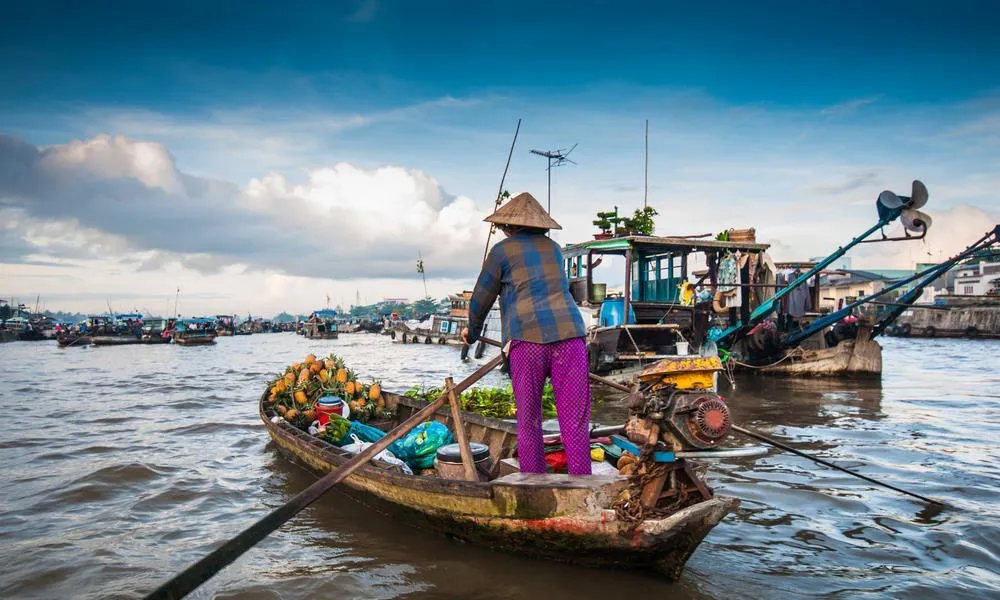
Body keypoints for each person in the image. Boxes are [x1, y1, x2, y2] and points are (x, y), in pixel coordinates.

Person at [462, 192, 591, 475]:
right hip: (571, 336)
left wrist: (471, 334)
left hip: (528, 340)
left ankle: (534, 479)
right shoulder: (554, 249)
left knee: (529, 417)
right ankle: (583, 480)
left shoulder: (501, 251)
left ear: (508, 226)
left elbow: (481, 297)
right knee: (575, 418)